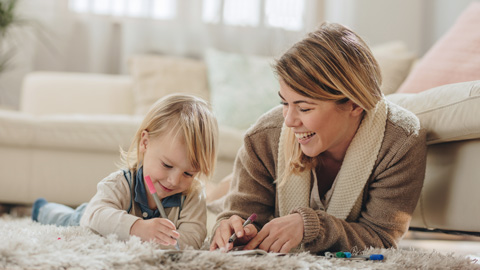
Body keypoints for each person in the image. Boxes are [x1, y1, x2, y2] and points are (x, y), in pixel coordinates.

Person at [209, 22, 427, 254]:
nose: (290, 120)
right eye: (285, 103)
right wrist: (234, 229)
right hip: (231, 189)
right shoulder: (263, 137)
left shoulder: (400, 141)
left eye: (304, 108)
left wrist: (311, 226)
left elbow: (382, 239)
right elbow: (242, 215)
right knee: (207, 204)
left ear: (354, 104)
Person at [32, 94, 218, 250]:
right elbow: (94, 215)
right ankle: (42, 208)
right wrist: (138, 228)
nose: (174, 181)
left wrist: (156, 240)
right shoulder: (119, 183)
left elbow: (193, 239)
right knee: (63, 217)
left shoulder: (192, 194)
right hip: (86, 219)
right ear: (145, 143)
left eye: (189, 174)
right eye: (167, 165)